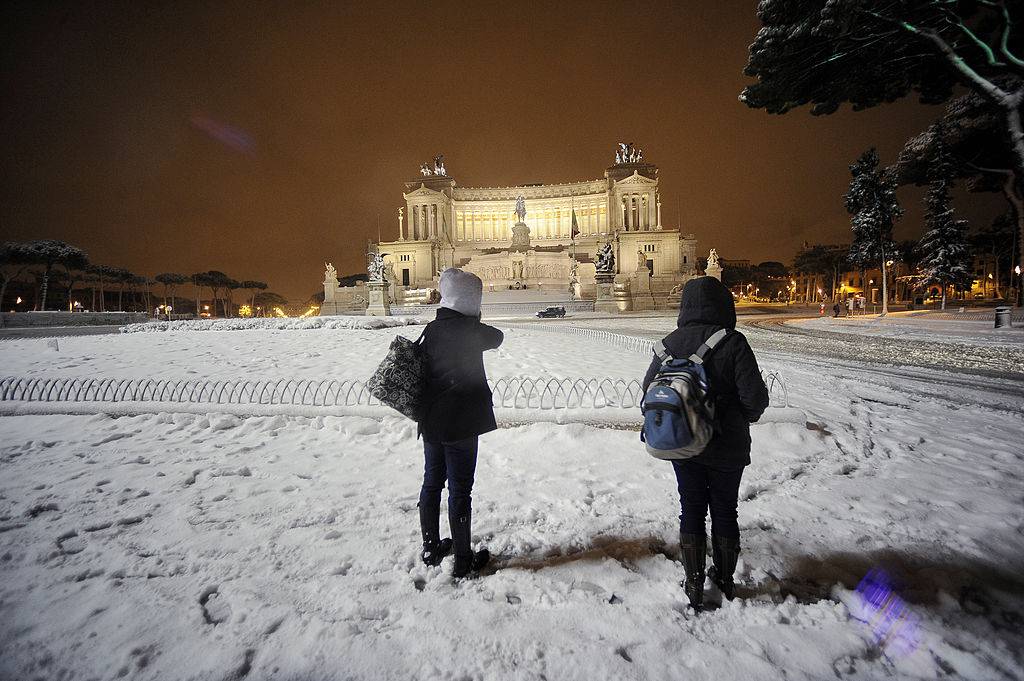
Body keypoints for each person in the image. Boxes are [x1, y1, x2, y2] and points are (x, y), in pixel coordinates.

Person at [642, 276, 769, 611]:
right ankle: (725, 580)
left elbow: (648, 392)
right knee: (725, 509)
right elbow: (755, 398)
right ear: (723, 305)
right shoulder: (732, 342)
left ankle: (694, 580)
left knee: (692, 508)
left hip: (683, 443)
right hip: (727, 444)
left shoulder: (667, 344)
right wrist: (739, 417)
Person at [417, 268, 503, 578]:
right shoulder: (471, 331)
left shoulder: (431, 329)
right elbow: (498, 337)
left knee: (431, 483)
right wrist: (473, 318)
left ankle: (430, 547)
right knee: (460, 491)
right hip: (462, 425)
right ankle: (464, 560)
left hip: (431, 423)